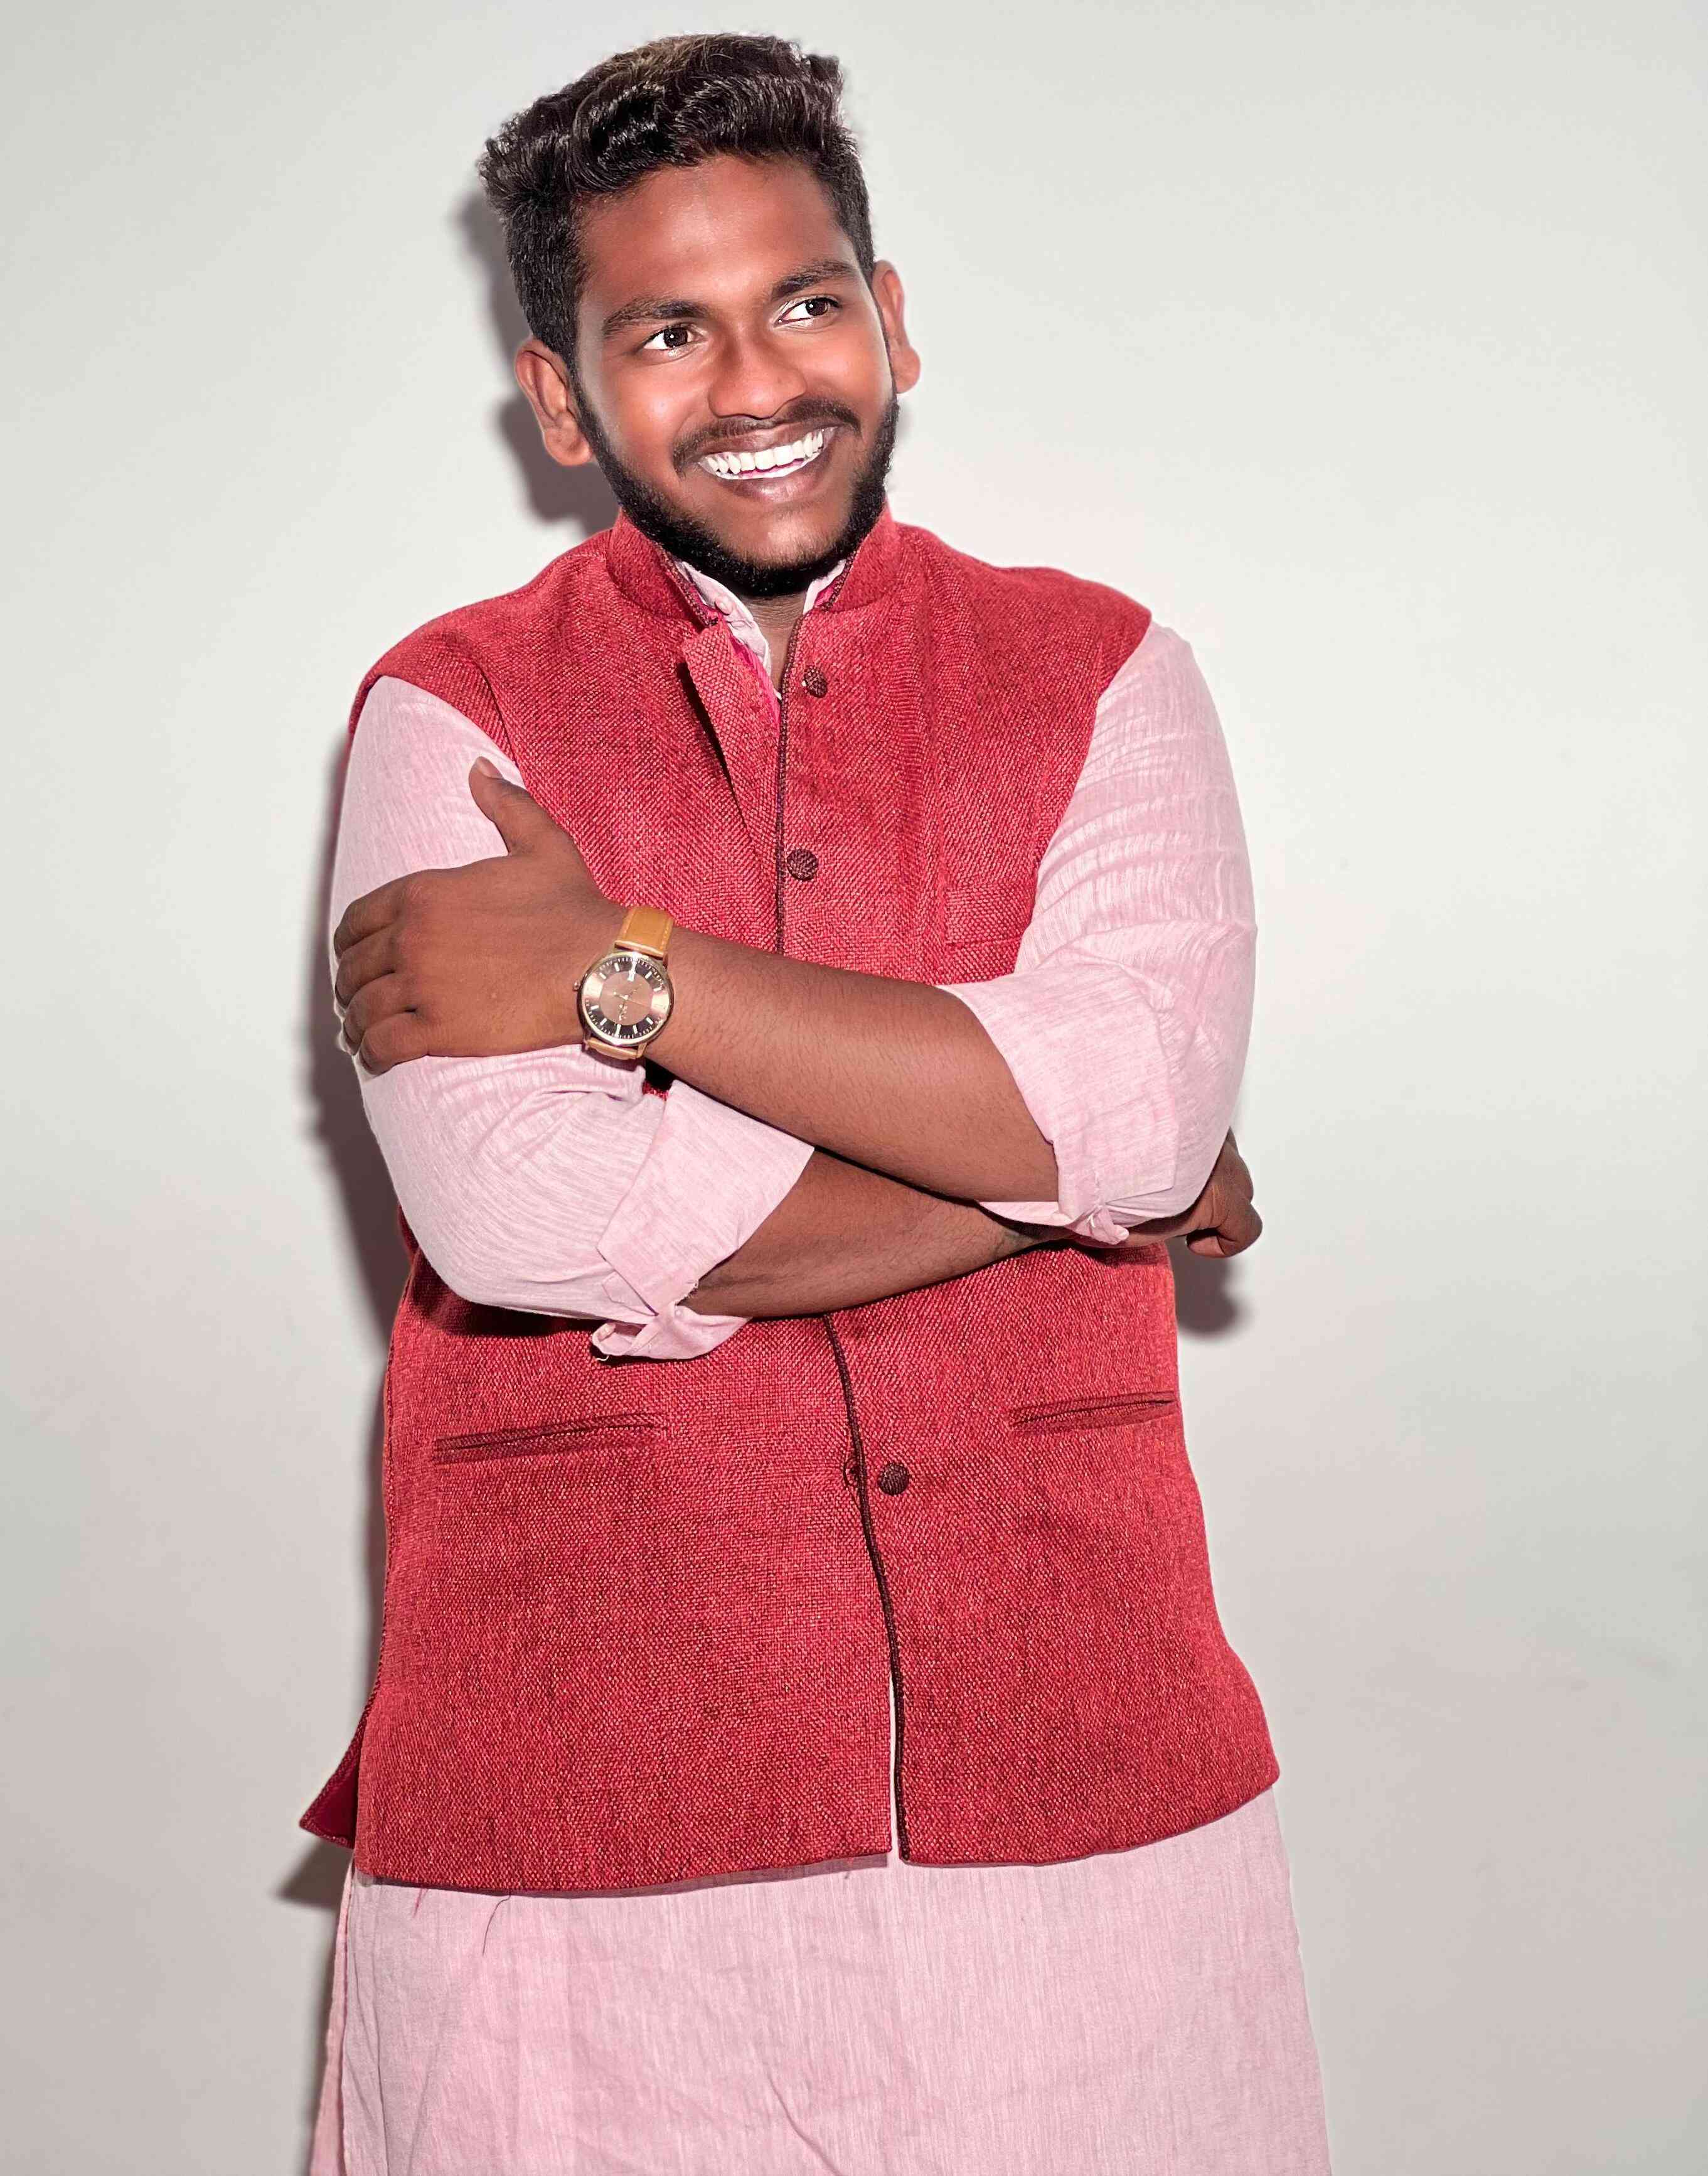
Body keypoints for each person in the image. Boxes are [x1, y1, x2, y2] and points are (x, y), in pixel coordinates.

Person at [304, 31, 1332, 2175]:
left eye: (803, 300)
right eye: (667, 331)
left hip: (1076, 1746)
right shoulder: (443, 709)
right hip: (582, 1773)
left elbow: (1135, 1096)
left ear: (892, 319)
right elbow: (517, 1212)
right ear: (562, 398)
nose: (759, 380)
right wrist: (1074, 1166)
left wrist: (624, 970)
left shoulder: (1106, 667)